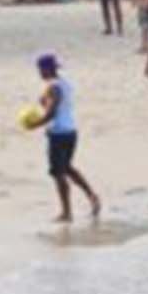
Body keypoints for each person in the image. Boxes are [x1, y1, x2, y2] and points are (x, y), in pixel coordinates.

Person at [25, 52, 100, 223]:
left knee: (58, 173)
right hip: (71, 131)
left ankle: (66, 213)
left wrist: (34, 125)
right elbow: (52, 104)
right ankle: (92, 196)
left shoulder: (54, 87)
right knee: (67, 168)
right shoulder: (64, 83)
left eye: (40, 69)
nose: (39, 72)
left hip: (59, 133)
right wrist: (43, 101)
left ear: (45, 69)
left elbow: (51, 112)